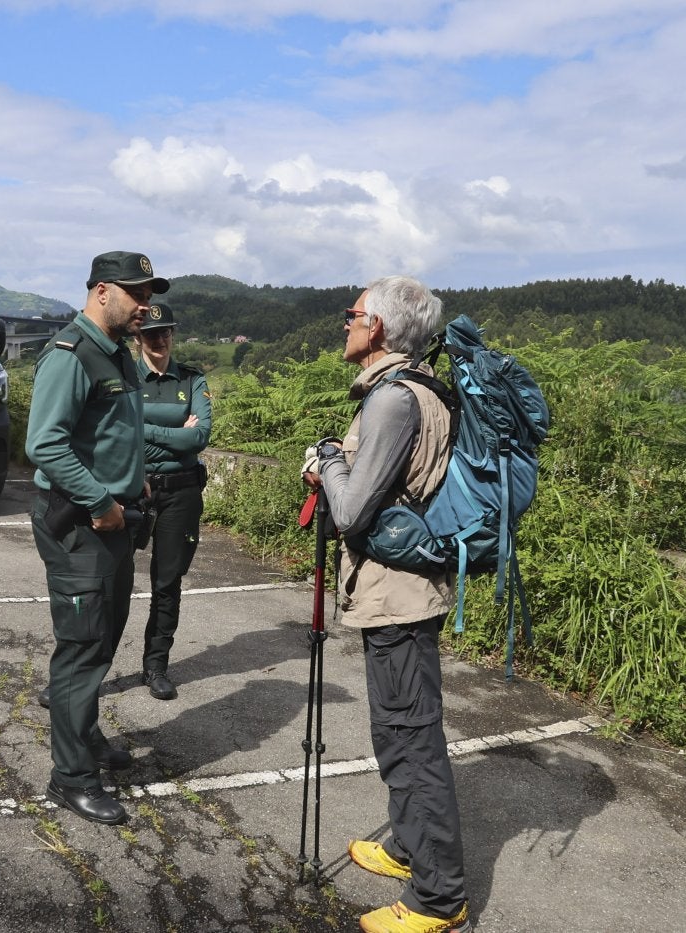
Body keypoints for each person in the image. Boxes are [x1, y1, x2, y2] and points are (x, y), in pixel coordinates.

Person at [302, 276, 471, 933]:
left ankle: (439, 897)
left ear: (377, 329)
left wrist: (326, 458)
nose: (345, 322)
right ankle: (407, 845)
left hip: (398, 596)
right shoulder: (418, 387)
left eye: (353, 314)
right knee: (395, 728)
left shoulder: (393, 399)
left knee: (409, 739)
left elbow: (349, 510)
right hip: (403, 590)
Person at [26, 250, 167, 826]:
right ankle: (72, 776)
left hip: (115, 522)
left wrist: (135, 488)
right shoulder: (71, 354)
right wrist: (102, 500)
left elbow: (114, 432)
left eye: (149, 294)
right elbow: (45, 444)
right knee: (82, 650)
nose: (145, 306)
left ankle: (84, 738)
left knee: (104, 638)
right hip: (83, 525)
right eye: (137, 294)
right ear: (103, 291)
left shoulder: (117, 354)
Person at [134, 303, 212, 700]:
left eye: (166, 332)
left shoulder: (192, 379)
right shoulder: (126, 377)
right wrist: (174, 430)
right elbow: (118, 428)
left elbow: (199, 438)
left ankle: (156, 666)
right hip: (133, 488)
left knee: (167, 583)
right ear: (138, 338)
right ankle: (86, 672)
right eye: (151, 333)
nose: (160, 339)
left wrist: (145, 429)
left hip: (181, 491)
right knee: (108, 582)